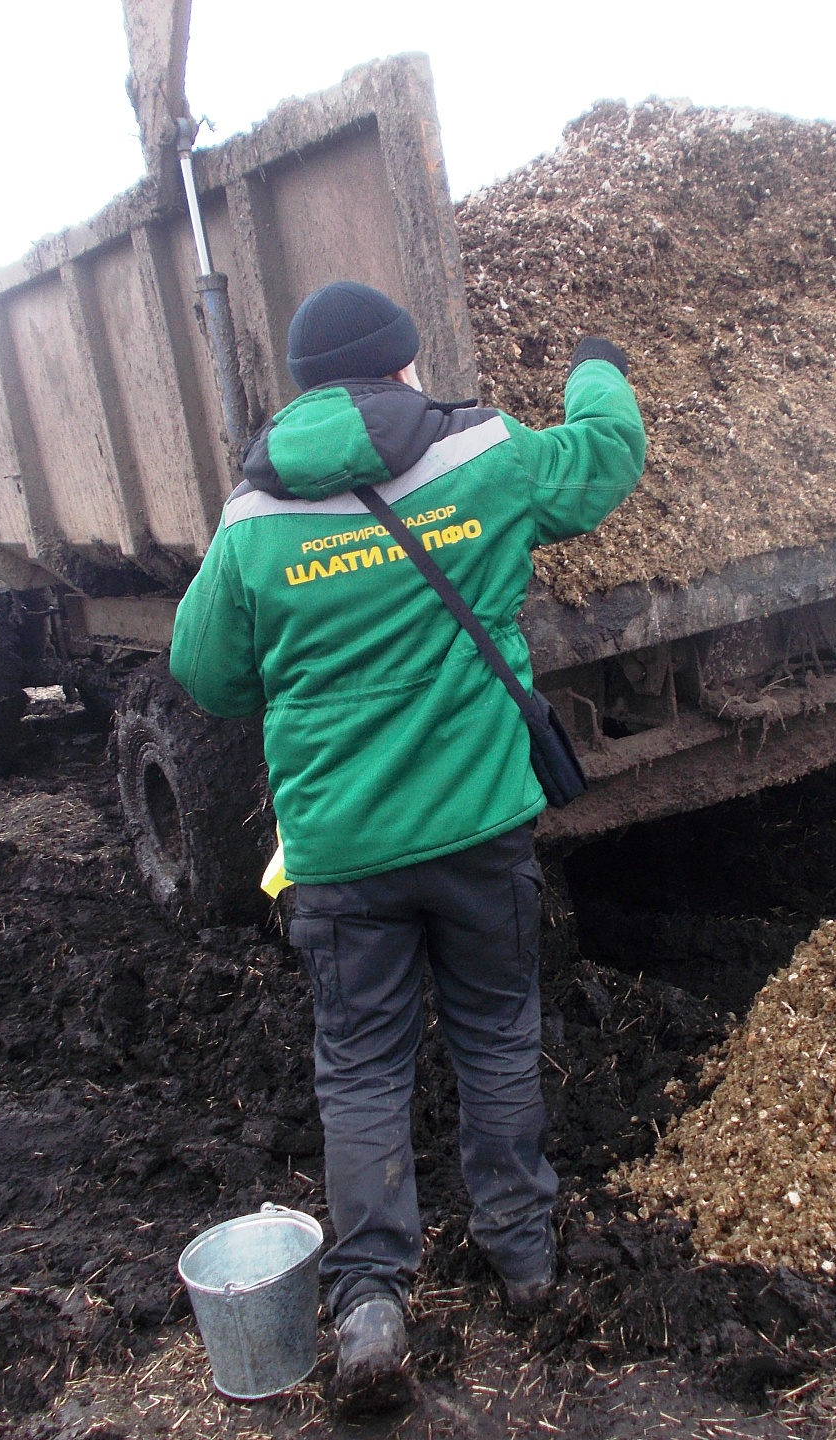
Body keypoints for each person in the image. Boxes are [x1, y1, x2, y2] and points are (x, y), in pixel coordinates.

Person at [169, 280, 645, 1412]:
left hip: (339, 854)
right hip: (480, 828)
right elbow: (605, 458)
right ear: (404, 365)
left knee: (364, 1067)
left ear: (306, 384)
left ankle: (373, 1297)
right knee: (494, 1032)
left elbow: (205, 675)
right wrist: (593, 360)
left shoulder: (252, 518)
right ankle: (524, 1260)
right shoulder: (481, 453)